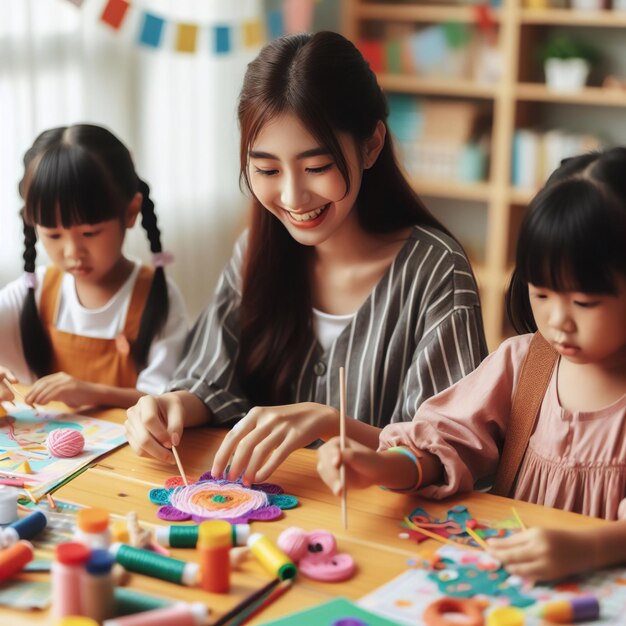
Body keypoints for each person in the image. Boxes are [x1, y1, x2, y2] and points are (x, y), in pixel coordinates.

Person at [125, 31, 487, 481]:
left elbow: (445, 449)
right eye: (267, 170)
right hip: (264, 522)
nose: (293, 196)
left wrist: (325, 422)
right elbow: (211, 380)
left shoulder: (437, 272)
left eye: (316, 167)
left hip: (381, 536)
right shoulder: (254, 251)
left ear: (372, 145)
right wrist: (169, 406)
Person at [317, 147, 626, 582]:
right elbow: (446, 442)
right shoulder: (525, 364)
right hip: (510, 593)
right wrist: (381, 467)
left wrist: (589, 546)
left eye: (584, 301)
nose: (558, 321)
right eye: (541, 293)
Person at [0, 124, 188, 409]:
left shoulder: (157, 295)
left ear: (130, 212)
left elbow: (168, 399)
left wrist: (94, 393)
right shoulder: (33, 292)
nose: (73, 252)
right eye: (53, 235)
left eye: (89, 233)